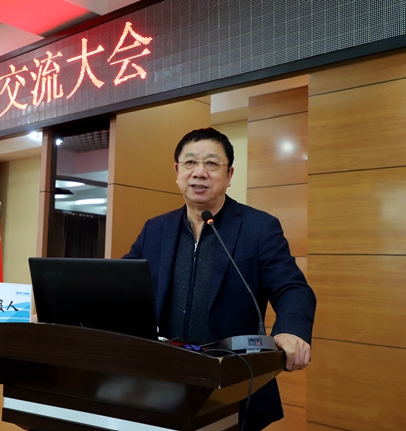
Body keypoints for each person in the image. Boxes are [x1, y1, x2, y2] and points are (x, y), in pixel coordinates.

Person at [123, 127, 316, 430]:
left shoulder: (258, 227)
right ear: (177, 172)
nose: (199, 172)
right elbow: (123, 285)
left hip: (233, 382)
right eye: (190, 162)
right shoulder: (156, 229)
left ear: (229, 175)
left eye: (212, 163)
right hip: (164, 380)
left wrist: (291, 330)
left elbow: (292, 287)